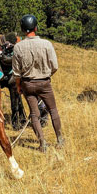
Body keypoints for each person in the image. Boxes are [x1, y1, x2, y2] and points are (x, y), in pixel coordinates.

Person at [12, 14, 64, 152]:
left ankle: (42, 144)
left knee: (34, 114)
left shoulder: (18, 47)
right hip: (45, 83)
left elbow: (16, 72)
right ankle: (60, 140)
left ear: (23, 29)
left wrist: (18, 86)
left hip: (27, 84)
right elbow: (55, 66)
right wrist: (46, 76)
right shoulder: (46, 44)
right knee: (52, 110)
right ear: (36, 27)